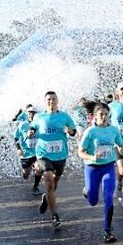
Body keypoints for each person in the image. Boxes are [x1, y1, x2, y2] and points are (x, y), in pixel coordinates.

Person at [79, 102, 123, 243]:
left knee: (108, 197)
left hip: (108, 167)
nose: (104, 117)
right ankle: (87, 191)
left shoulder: (113, 130)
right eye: (101, 114)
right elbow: (80, 152)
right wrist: (93, 157)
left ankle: (107, 230)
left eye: (106, 114)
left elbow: (120, 145)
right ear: (94, 116)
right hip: (92, 168)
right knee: (93, 201)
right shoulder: (90, 132)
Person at [29, 91, 76, 230]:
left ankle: (46, 198)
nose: (51, 101)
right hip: (43, 154)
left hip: (60, 155)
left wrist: (70, 131)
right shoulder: (39, 116)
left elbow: (73, 132)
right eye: (49, 99)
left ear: (57, 100)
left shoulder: (64, 116)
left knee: (53, 186)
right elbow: (32, 127)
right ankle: (55, 216)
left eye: (53, 99)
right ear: (45, 102)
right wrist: (30, 132)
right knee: (49, 181)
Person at [14, 105, 42, 195]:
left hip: (38, 152)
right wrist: (18, 149)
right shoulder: (23, 125)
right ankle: (26, 173)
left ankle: (36, 187)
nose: (31, 115)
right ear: (27, 114)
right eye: (30, 113)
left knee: (38, 168)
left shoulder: (41, 124)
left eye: (33, 113)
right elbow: (16, 138)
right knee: (26, 173)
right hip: (26, 153)